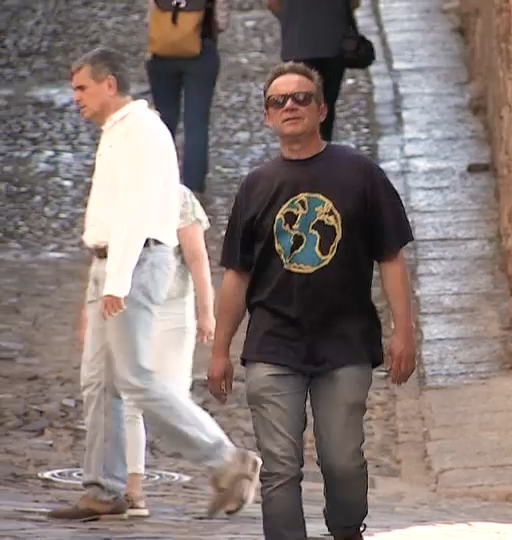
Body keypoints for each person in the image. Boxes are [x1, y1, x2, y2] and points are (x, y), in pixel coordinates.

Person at [207, 61, 417, 540]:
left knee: (342, 460)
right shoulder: (256, 186)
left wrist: (403, 332)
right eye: (279, 101)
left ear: (322, 109)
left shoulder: (360, 174)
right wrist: (220, 350)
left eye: (301, 98)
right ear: (267, 117)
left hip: (345, 344)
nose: (290, 106)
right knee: (280, 470)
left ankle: (347, 530)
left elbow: (391, 258)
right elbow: (236, 275)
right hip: (272, 345)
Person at [49, 46, 260, 522]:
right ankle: (104, 489)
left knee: (137, 378)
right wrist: (101, 276)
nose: (76, 97)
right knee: (99, 381)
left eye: (82, 87)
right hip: (114, 263)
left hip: (136, 263)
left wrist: (116, 282)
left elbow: (137, 212)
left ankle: (228, 460)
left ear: (109, 84)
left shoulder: (141, 132)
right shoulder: (117, 133)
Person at [122, 184, 217, 517]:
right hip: (126, 306)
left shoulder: (177, 196)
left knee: (174, 401)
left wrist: (207, 311)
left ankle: (228, 466)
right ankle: (133, 492)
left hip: (172, 307)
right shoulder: (118, 191)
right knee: (128, 399)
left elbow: (196, 256)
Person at [145, 0, 228, 195]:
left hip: (162, 52)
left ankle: (160, 180)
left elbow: (149, 17)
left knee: (164, 120)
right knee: (196, 123)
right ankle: (193, 188)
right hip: (200, 50)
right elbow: (222, 21)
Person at [266, 0, 358, 141]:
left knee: (301, 100)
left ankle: (305, 144)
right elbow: (354, 3)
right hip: (333, 41)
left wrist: (291, 18)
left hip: (298, 43)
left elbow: (273, 3)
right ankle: (323, 143)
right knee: (327, 101)